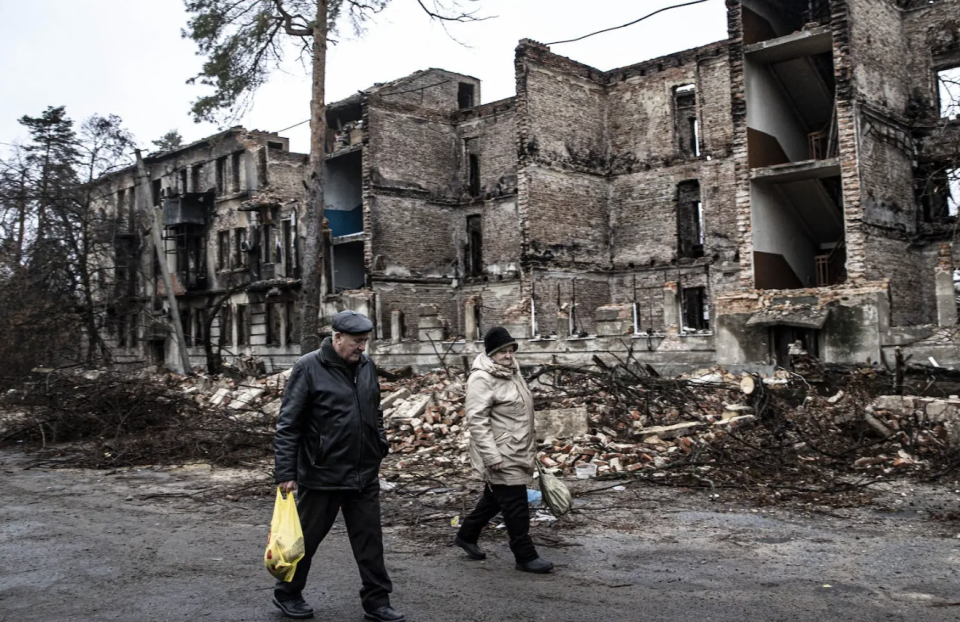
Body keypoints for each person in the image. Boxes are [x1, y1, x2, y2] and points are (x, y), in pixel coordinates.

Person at [273, 310, 404, 622]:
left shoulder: (367, 367)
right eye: (357, 341)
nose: (362, 348)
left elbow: (375, 412)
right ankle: (287, 593)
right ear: (337, 338)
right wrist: (286, 472)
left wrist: (379, 443)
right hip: (322, 475)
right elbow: (288, 424)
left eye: (365, 341)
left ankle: (376, 601)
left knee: (370, 541)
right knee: (304, 540)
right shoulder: (308, 367)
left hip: (363, 474)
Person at [453, 326, 554, 574]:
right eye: (502, 351)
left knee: (495, 499)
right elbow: (477, 421)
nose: (508, 355)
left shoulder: (511, 371)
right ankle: (525, 556)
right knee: (515, 503)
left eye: (511, 350)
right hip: (501, 451)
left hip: (519, 447)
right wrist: (491, 455)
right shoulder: (482, 378)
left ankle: (466, 535)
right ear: (490, 354)